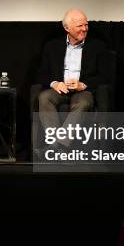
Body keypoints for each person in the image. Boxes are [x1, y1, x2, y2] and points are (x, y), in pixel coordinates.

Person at [36, 9, 108, 147]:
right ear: (67, 28)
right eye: (80, 26)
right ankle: (58, 147)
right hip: (60, 90)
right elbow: (41, 73)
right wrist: (55, 84)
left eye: (86, 25)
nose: (84, 29)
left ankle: (58, 146)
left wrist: (83, 84)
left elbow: (105, 76)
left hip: (83, 90)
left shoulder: (97, 46)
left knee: (83, 102)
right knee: (44, 97)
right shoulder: (52, 46)